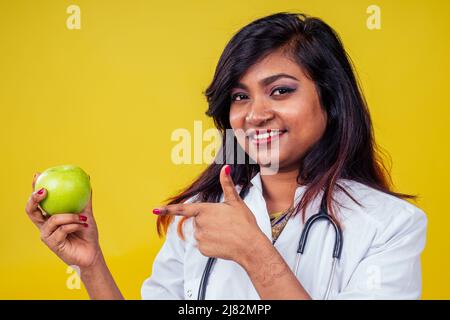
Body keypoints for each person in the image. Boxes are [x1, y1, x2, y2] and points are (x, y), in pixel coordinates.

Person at [25, 12, 427, 300]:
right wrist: (91, 264)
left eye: (281, 90)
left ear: (331, 100)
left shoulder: (390, 225)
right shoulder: (200, 213)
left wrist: (255, 253)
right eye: (239, 96)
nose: (255, 114)